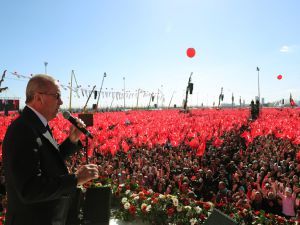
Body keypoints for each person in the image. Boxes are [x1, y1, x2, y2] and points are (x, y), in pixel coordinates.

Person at [2, 74, 100, 225]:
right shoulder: (22, 130)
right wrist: (75, 179)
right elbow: (30, 189)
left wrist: (72, 140)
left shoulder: (36, 124)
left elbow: (48, 161)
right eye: (57, 96)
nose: (61, 102)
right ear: (38, 98)